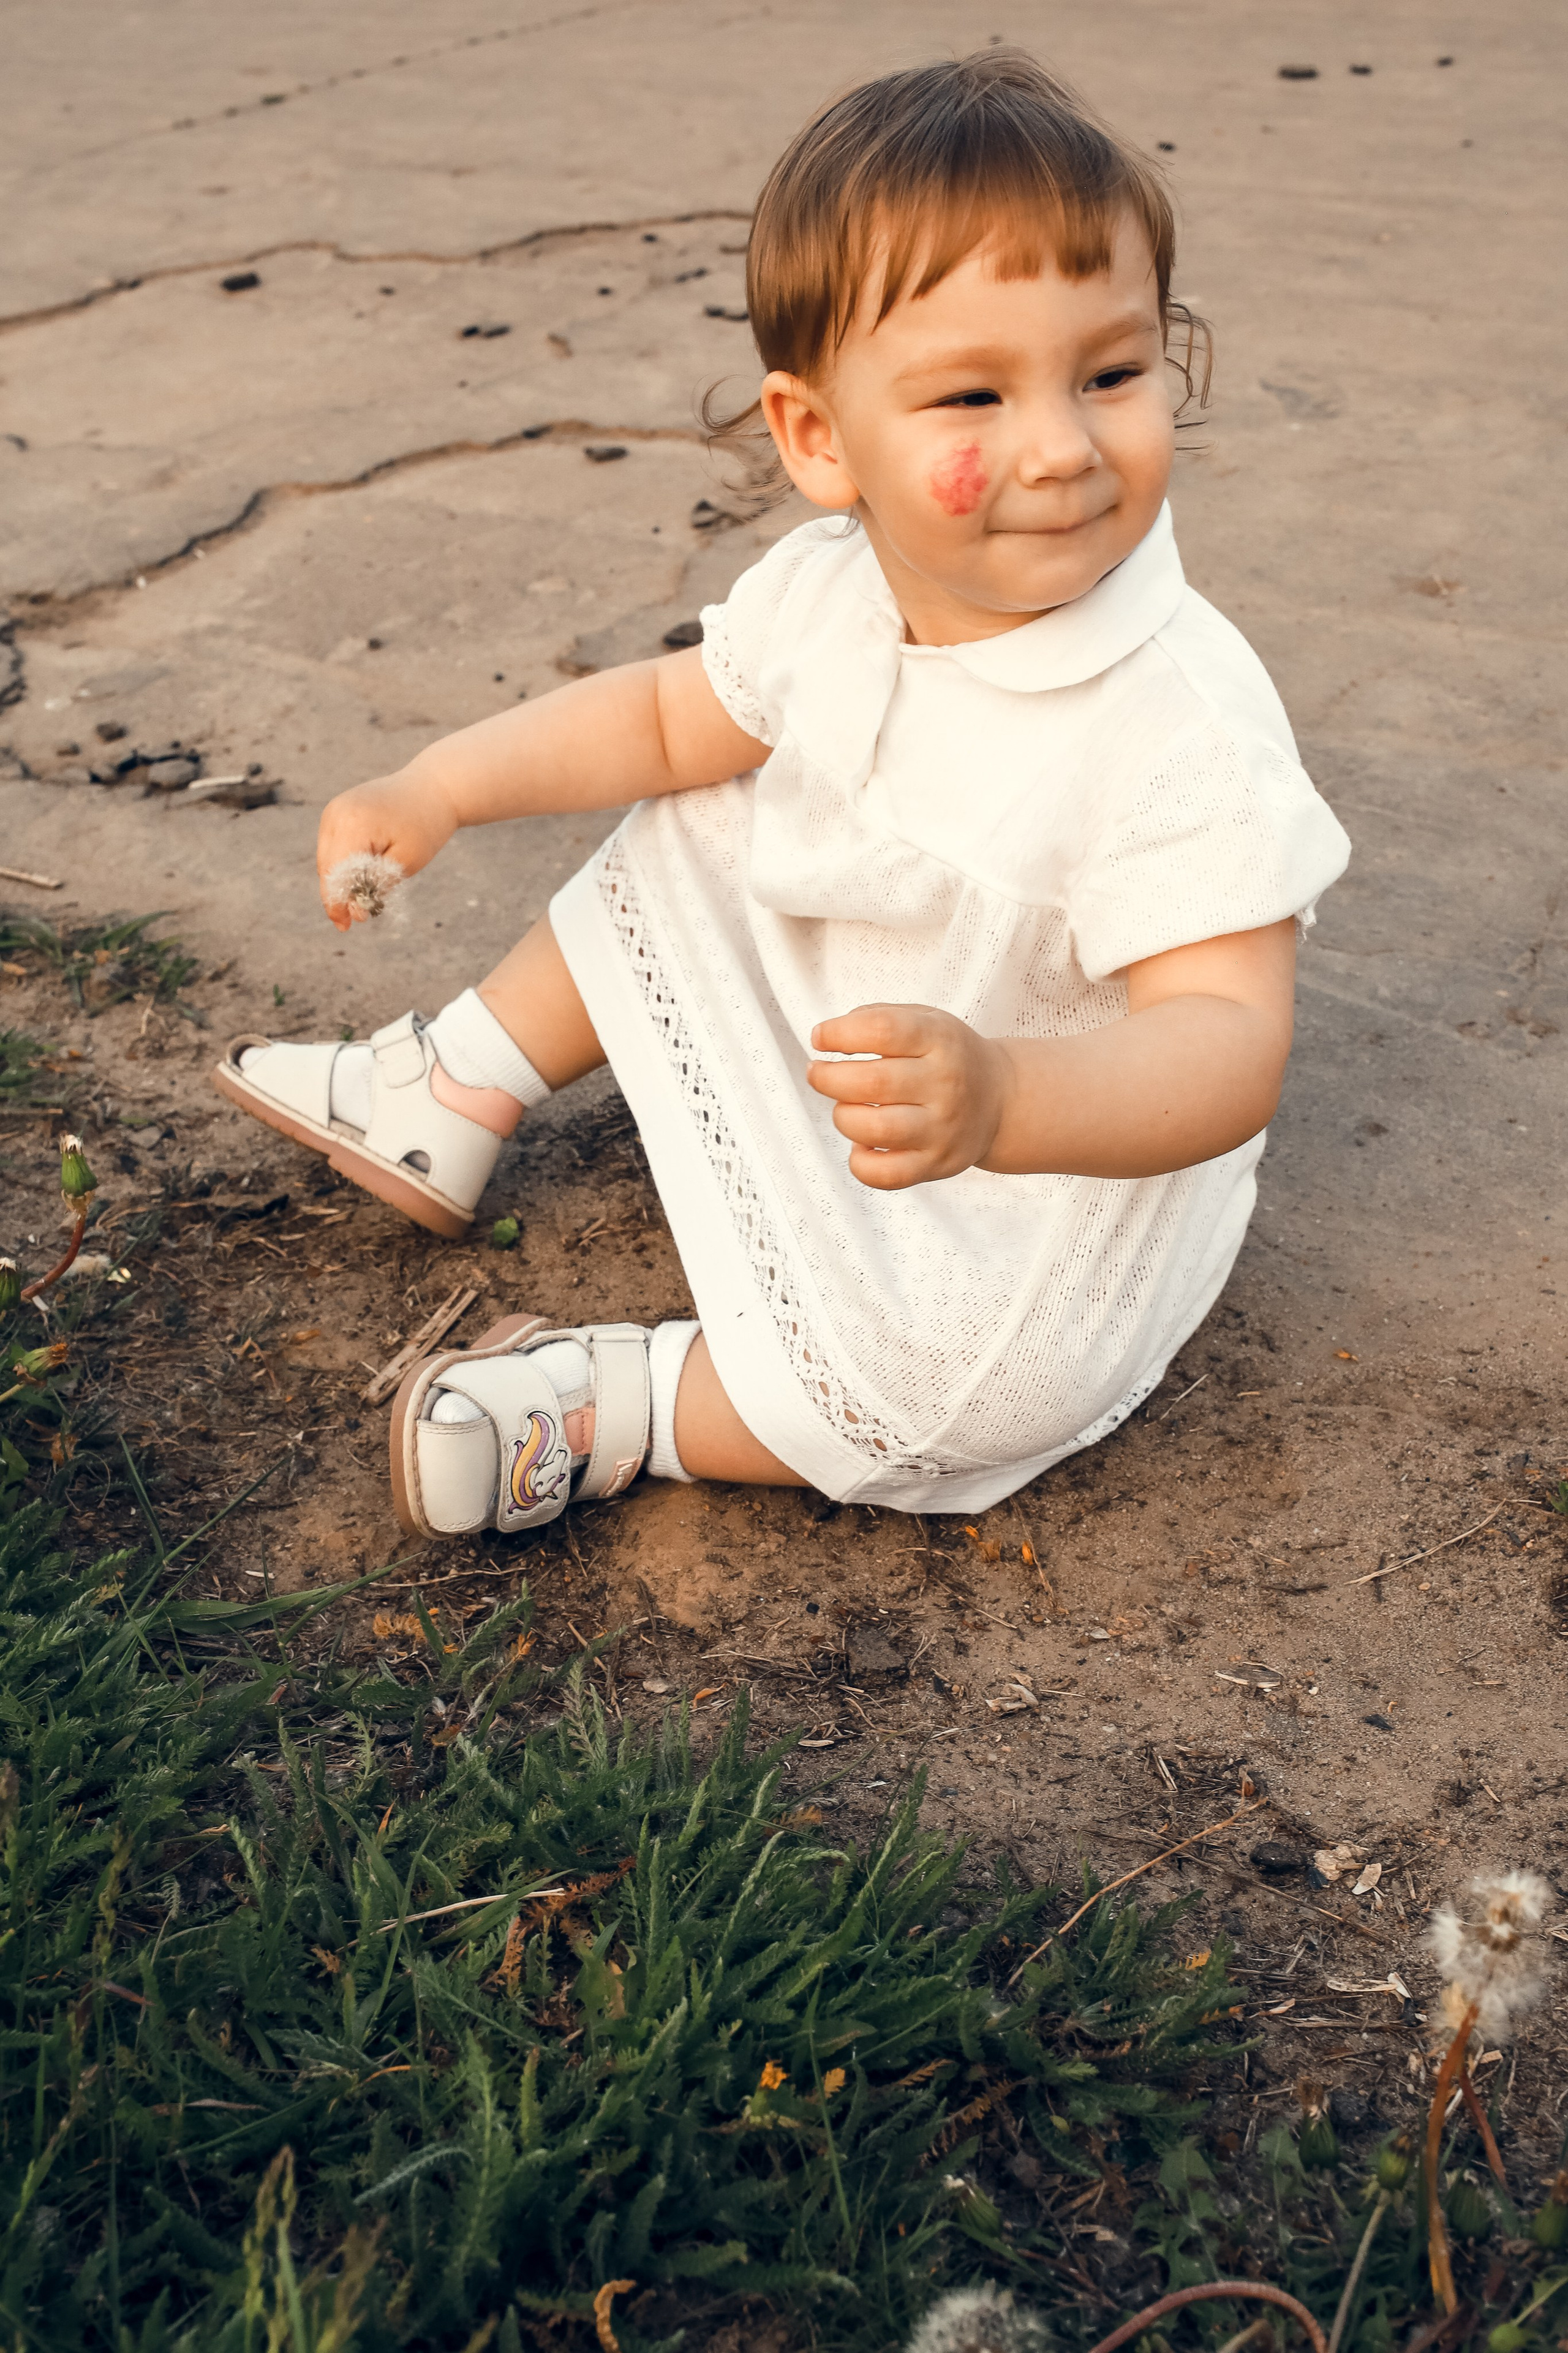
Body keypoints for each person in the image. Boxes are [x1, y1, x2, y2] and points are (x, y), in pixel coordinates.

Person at [214, 49, 1349, 1541]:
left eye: (1111, 374)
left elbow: (1222, 1049)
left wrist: (1009, 1095)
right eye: (970, 394)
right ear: (818, 439)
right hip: (868, 1044)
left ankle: (620, 1402)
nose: (1062, 447)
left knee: (962, 1393)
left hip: (1039, 1178)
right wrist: (440, 785)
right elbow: (659, 716)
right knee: (708, 793)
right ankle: (452, 1085)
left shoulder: (1172, 719)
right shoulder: (826, 593)